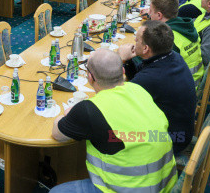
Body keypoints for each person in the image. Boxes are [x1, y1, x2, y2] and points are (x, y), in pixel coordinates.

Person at [51, 49, 177, 193]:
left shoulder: (89, 109)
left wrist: (69, 113)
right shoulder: (137, 89)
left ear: (90, 77)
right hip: (165, 184)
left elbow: (57, 134)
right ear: (123, 71)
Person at [118, 20, 196, 154]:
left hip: (171, 139)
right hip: (182, 131)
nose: (133, 43)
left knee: (109, 134)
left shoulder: (150, 79)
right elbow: (141, 76)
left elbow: (119, 101)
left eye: (136, 40)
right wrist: (129, 61)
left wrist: (120, 60)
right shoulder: (173, 56)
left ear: (146, 48)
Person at [148, 0, 204, 86]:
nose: (148, 13)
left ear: (159, 15)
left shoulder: (167, 38)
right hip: (192, 82)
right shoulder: (186, 27)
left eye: (150, 10)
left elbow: (153, 68)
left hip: (181, 89)